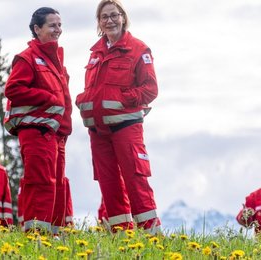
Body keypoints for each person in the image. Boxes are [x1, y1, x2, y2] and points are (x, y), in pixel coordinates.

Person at [75, 0, 161, 234]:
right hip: (97, 132)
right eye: (104, 17)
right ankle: (122, 235)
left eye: (114, 15)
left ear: (123, 17)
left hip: (126, 127)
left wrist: (123, 99)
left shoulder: (138, 49)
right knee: (109, 184)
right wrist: (85, 100)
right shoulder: (95, 53)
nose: (109, 20)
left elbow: (150, 89)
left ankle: (151, 236)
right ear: (99, 22)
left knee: (136, 179)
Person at [4, 7, 73, 233]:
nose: (58, 30)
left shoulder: (57, 62)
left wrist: (64, 131)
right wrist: (46, 97)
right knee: (40, 182)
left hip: (55, 134)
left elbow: (64, 101)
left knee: (58, 185)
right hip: (36, 132)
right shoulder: (27, 58)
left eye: (60, 25)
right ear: (37, 29)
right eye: (52, 25)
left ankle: (54, 238)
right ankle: (36, 238)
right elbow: (13, 89)